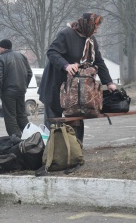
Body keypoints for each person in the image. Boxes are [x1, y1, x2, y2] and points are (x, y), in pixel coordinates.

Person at [38, 13, 117, 142]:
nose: (96, 30)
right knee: (54, 123)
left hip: (77, 90)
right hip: (56, 85)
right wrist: (66, 65)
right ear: (87, 25)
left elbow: (99, 61)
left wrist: (108, 82)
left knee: (77, 118)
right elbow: (52, 52)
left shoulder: (91, 40)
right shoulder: (66, 34)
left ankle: (76, 151)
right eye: (95, 26)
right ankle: (52, 153)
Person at [0, 39, 33, 137]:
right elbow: (29, 73)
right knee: (22, 115)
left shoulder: (1, 59)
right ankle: (31, 137)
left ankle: (16, 140)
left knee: (10, 117)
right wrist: (24, 86)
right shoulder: (22, 56)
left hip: (8, 93)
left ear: (3, 47)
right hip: (21, 91)